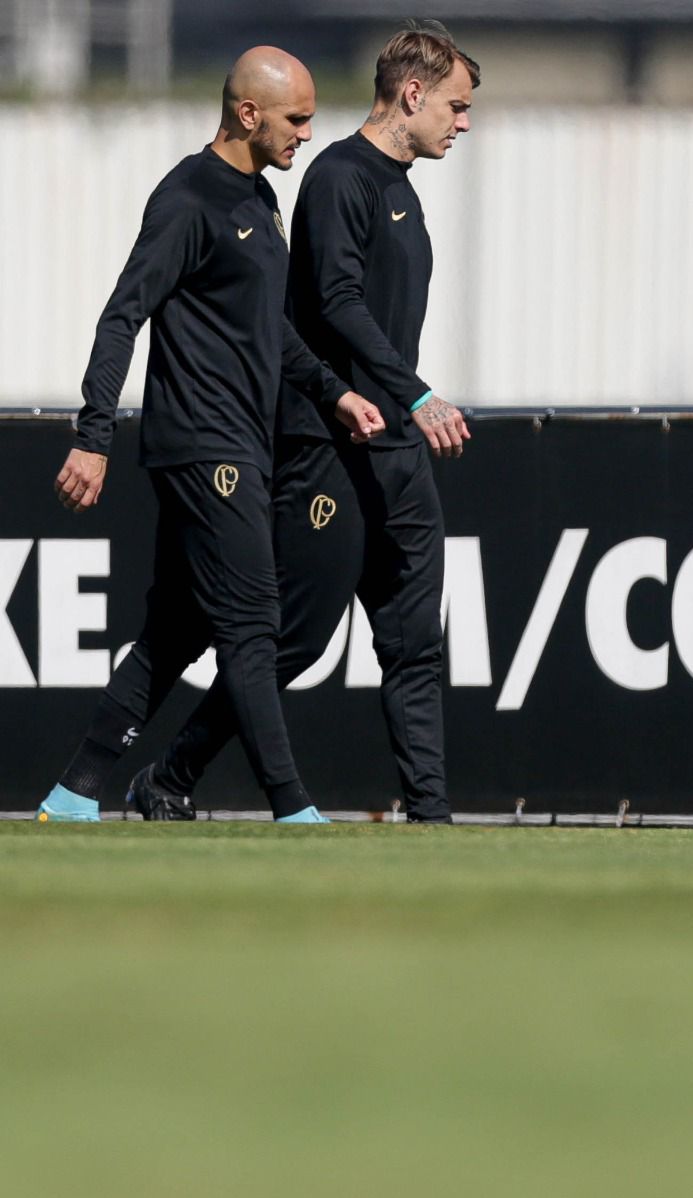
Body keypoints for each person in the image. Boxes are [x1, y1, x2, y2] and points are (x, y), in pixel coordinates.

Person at [128, 21, 478, 825]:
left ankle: (431, 816)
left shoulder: (403, 191)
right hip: (330, 446)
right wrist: (416, 394)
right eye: (456, 106)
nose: (463, 123)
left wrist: (406, 407)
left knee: (416, 642)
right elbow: (336, 305)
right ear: (412, 93)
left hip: (396, 449)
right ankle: (168, 775)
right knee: (294, 640)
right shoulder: (338, 179)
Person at [37, 47, 386, 825]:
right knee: (255, 625)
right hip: (202, 444)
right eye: (297, 117)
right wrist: (94, 435)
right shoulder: (188, 199)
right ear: (248, 113)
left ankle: (70, 795)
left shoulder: (261, 201)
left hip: (241, 446)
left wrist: (334, 395)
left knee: (177, 631)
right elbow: (121, 315)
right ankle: (293, 810)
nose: (307, 131)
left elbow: (271, 333)